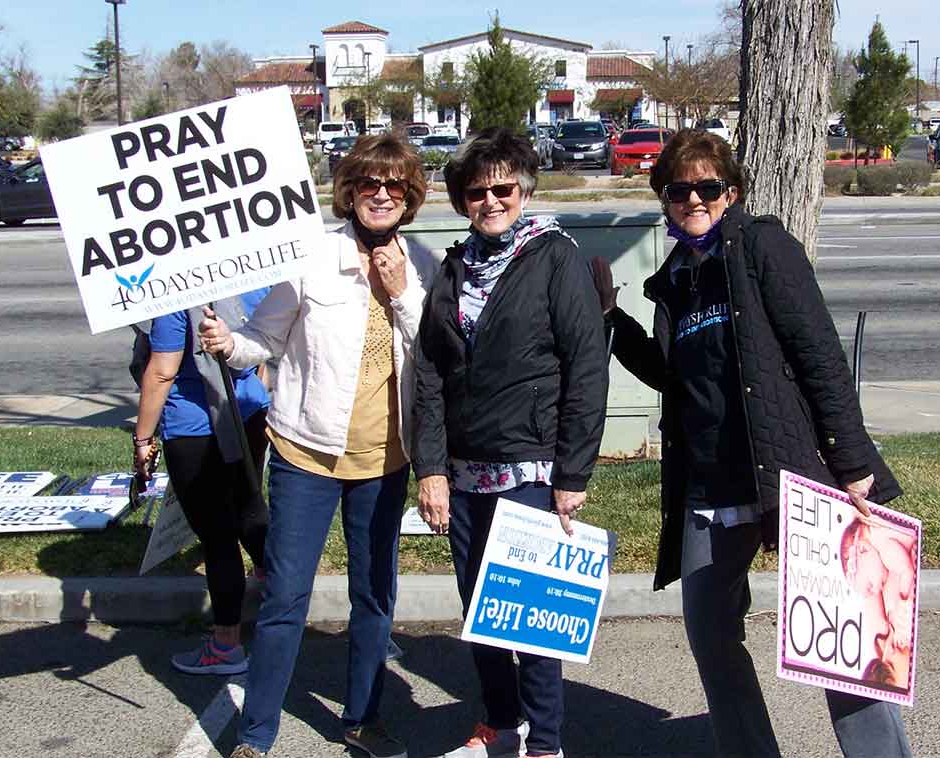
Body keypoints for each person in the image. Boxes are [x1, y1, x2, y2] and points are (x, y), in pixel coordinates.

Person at [592, 129, 912, 757]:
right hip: (708, 483)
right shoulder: (676, 278)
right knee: (710, 632)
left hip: (790, 473)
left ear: (730, 192)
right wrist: (613, 321)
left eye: (707, 187)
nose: (693, 199)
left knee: (843, 646)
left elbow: (818, 353)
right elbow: (672, 374)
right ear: (664, 197)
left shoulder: (763, 247)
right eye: (679, 189)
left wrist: (850, 460)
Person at [199, 134, 437, 758]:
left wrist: (403, 291)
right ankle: (256, 734)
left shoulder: (424, 264)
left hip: (385, 459)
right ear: (350, 192)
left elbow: (438, 351)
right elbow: (263, 340)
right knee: (284, 596)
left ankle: (362, 719)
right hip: (306, 454)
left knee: (374, 597)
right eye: (367, 184)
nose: (380, 194)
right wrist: (229, 343)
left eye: (393, 185)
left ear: (409, 195)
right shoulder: (311, 257)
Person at [413, 127, 608, 758]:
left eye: (502, 188)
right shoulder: (453, 268)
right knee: (481, 614)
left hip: (530, 466)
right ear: (462, 199)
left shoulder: (555, 257)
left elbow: (585, 366)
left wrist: (572, 473)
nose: (490, 201)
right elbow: (432, 373)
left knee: (530, 612)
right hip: (465, 474)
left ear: (523, 189)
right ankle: (500, 725)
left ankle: (545, 743)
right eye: (477, 191)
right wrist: (432, 468)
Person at [132, 289, 270, 676]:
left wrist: (142, 440)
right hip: (250, 410)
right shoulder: (252, 281)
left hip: (195, 427)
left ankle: (225, 644)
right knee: (249, 505)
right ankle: (279, 593)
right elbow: (262, 352)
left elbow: (162, 370)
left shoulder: (178, 294)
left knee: (218, 533)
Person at [841, 515, 918, 688]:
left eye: (870, 586)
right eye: (889, 662)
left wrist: (905, 600)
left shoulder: (880, 545)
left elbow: (906, 570)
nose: (887, 650)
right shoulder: (894, 625)